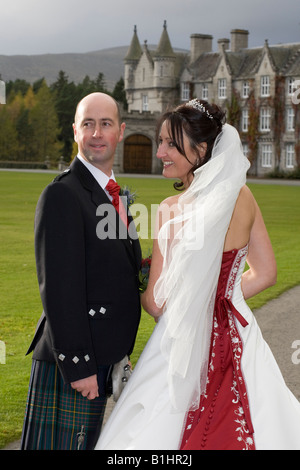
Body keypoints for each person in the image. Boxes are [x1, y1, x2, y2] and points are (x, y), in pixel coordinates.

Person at [95, 99, 300, 450]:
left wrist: (143, 285)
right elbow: (265, 274)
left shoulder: (171, 211)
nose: (161, 152)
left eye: (171, 144)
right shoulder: (243, 196)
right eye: (160, 142)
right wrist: (224, 297)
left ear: (202, 149)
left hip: (183, 341)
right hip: (239, 334)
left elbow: (158, 303)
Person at [21, 92, 142, 450]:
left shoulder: (113, 195)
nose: (96, 132)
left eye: (105, 124)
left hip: (101, 356)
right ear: (75, 131)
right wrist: (79, 366)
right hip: (72, 364)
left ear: (120, 131)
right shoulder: (63, 194)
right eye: (87, 123)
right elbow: (59, 289)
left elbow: (116, 270)